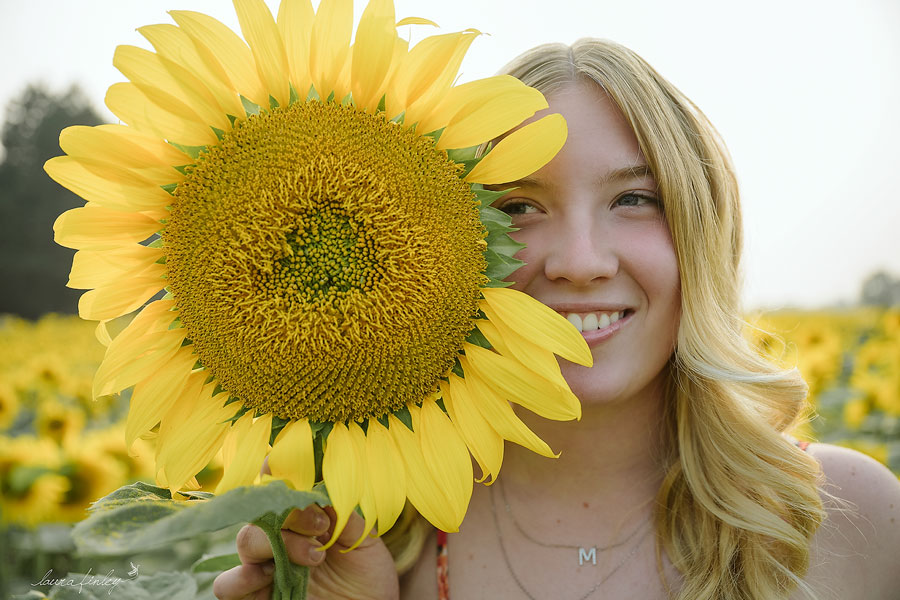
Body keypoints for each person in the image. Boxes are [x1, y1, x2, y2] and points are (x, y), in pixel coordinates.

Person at [213, 38, 900, 600]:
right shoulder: (377, 534)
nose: (579, 262)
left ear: (701, 232)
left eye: (633, 199)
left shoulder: (846, 518)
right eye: (519, 208)